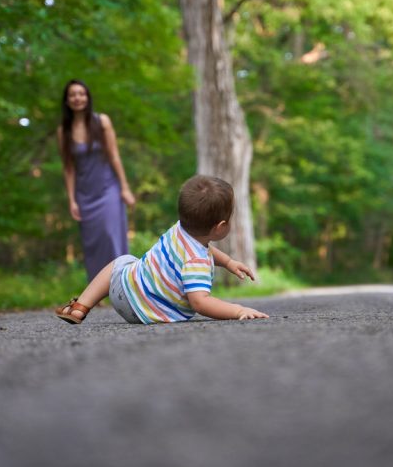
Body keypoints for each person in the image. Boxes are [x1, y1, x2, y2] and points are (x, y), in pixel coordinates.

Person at [54, 175, 269, 324]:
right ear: (220, 227)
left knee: (122, 262)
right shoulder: (196, 261)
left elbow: (207, 250)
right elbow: (200, 302)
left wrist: (228, 262)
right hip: (146, 314)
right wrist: (238, 310)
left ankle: (81, 306)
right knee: (126, 261)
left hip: (123, 292)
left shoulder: (180, 229)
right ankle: (82, 305)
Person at [57, 79, 136, 281]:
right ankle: (97, 288)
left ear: (87, 97)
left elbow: (114, 155)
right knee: (92, 243)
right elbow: (68, 168)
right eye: (73, 94)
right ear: (67, 100)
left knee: (111, 235)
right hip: (84, 194)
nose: (77, 98)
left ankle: (122, 283)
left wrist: (124, 188)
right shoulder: (63, 131)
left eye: (81, 93)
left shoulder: (102, 122)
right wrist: (72, 200)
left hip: (108, 188)